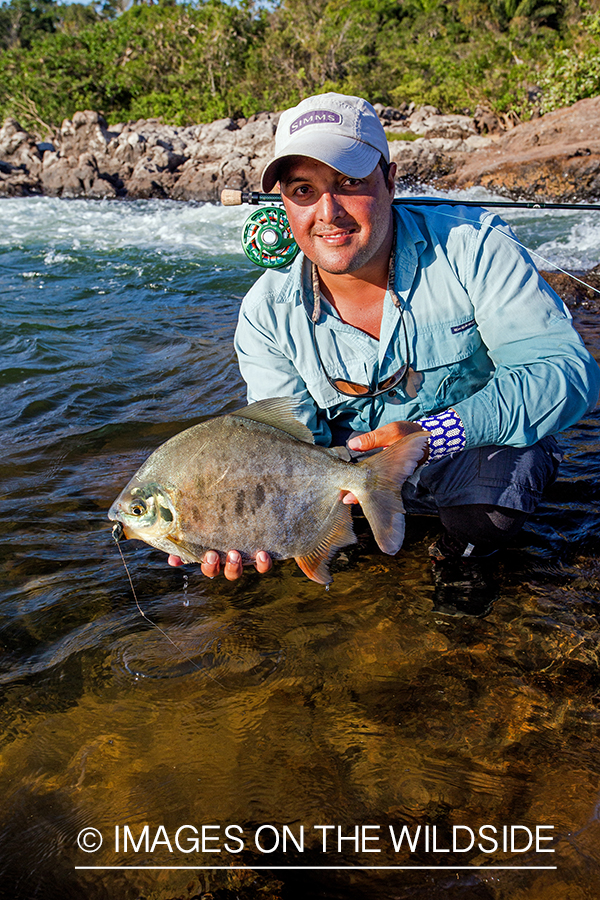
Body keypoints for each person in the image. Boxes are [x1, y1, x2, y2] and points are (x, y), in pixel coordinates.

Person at [171, 92, 600, 587]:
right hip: (346, 474)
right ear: (284, 203)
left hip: (471, 447)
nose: (328, 212)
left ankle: (459, 558)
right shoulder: (265, 312)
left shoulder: (475, 246)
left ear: (391, 181)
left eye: (350, 182)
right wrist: (237, 519)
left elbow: (565, 372)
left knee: (491, 514)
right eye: (304, 190)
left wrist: (438, 435)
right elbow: (281, 440)